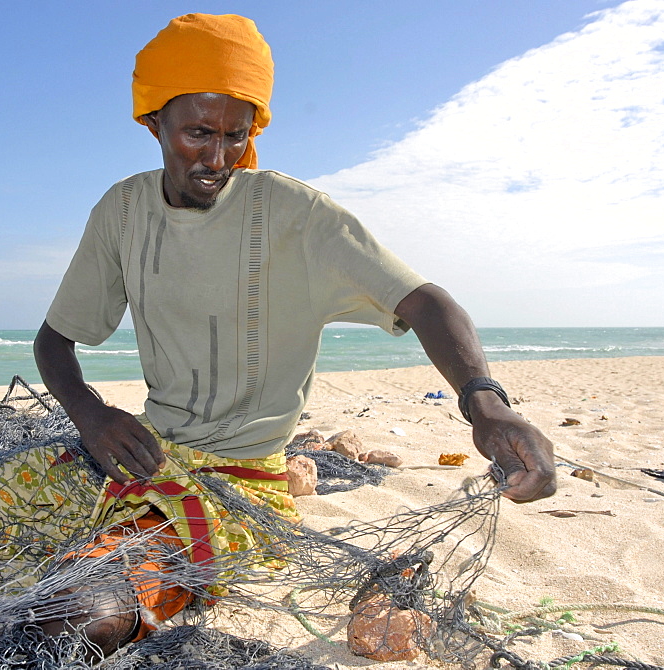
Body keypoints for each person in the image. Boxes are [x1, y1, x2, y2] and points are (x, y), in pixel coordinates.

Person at [32, 12, 556, 657]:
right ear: (153, 121)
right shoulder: (121, 210)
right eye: (198, 133)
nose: (217, 158)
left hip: (237, 486)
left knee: (77, 615)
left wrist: (486, 404)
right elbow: (54, 341)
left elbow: (425, 302)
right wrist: (91, 415)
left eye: (236, 135)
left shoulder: (296, 216)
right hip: (135, 455)